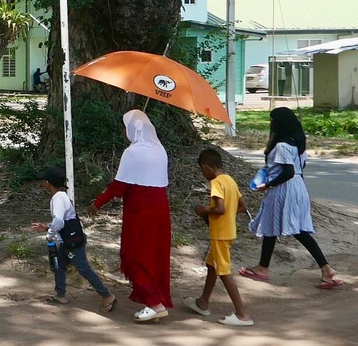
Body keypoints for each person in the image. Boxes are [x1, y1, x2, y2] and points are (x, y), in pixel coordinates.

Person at [239, 107, 343, 289]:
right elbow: (297, 170)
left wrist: (268, 185)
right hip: (298, 187)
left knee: (297, 230)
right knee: (275, 226)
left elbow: (288, 172)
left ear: (281, 123)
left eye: (273, 121)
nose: (271, 124)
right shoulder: (298, 144)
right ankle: (263, 266)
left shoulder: (282, 145)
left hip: (283, 188)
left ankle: (326, 269)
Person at [89, 109, 173, 323]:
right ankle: (155, 298)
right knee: (154, 254)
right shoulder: (160, 150)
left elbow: (119, 186)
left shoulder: (133, 152)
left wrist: (97, 203)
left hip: (140, 211)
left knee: (136, 254)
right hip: (160, 209)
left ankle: (155, 304)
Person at [30, 166, 117, 313]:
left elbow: (60, 221)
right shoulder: (62, 196)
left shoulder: (57, 198)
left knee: (83, 269)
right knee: (60, 265)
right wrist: (47, 227)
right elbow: (66, 220)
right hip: (70, 239)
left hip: (72, 242)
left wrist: (50, 233)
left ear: (48, 183)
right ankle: (60, 295)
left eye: (44, 181)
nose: (43, 183)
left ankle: (107, 296)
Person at [185, 149, 253, 326]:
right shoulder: (229, 180)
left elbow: (220, 209)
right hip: (228, 230)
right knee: (212, 265)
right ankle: (203, 302)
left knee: (224, 271)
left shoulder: (216, 183)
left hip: (220, 234)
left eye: (202, 170)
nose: (203, 174)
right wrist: (229, 214)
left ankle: (242, 314)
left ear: (206, 167)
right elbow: (243, 206)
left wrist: (204, 210)